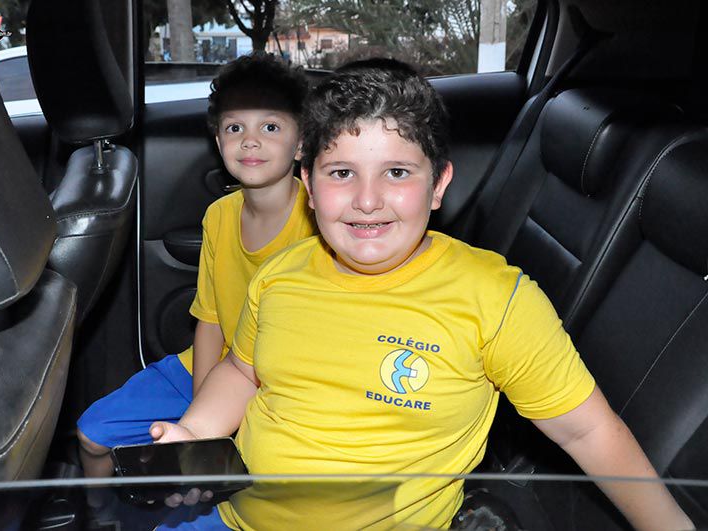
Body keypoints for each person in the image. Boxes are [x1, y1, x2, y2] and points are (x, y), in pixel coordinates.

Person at [149, 59, 695, 530]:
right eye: (341, 172)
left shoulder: (492, 299)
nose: (367, 200)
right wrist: (194, 431)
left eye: (396, 172)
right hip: (235, 517)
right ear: (309, 187)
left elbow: (587, 429)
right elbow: (241, 372)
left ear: (438, 185)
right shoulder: (280, 275)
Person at [76, 52, 316, 481]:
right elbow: (210, 320)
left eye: (271, 127)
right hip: (208, 368)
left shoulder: (318, 224)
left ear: (301, 143)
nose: (250, 141)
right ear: (218, 141)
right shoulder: (219, 215)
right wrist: (202, 403)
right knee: (93, 434)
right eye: (235, 128)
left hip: (279, 381)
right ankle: (100, 510)